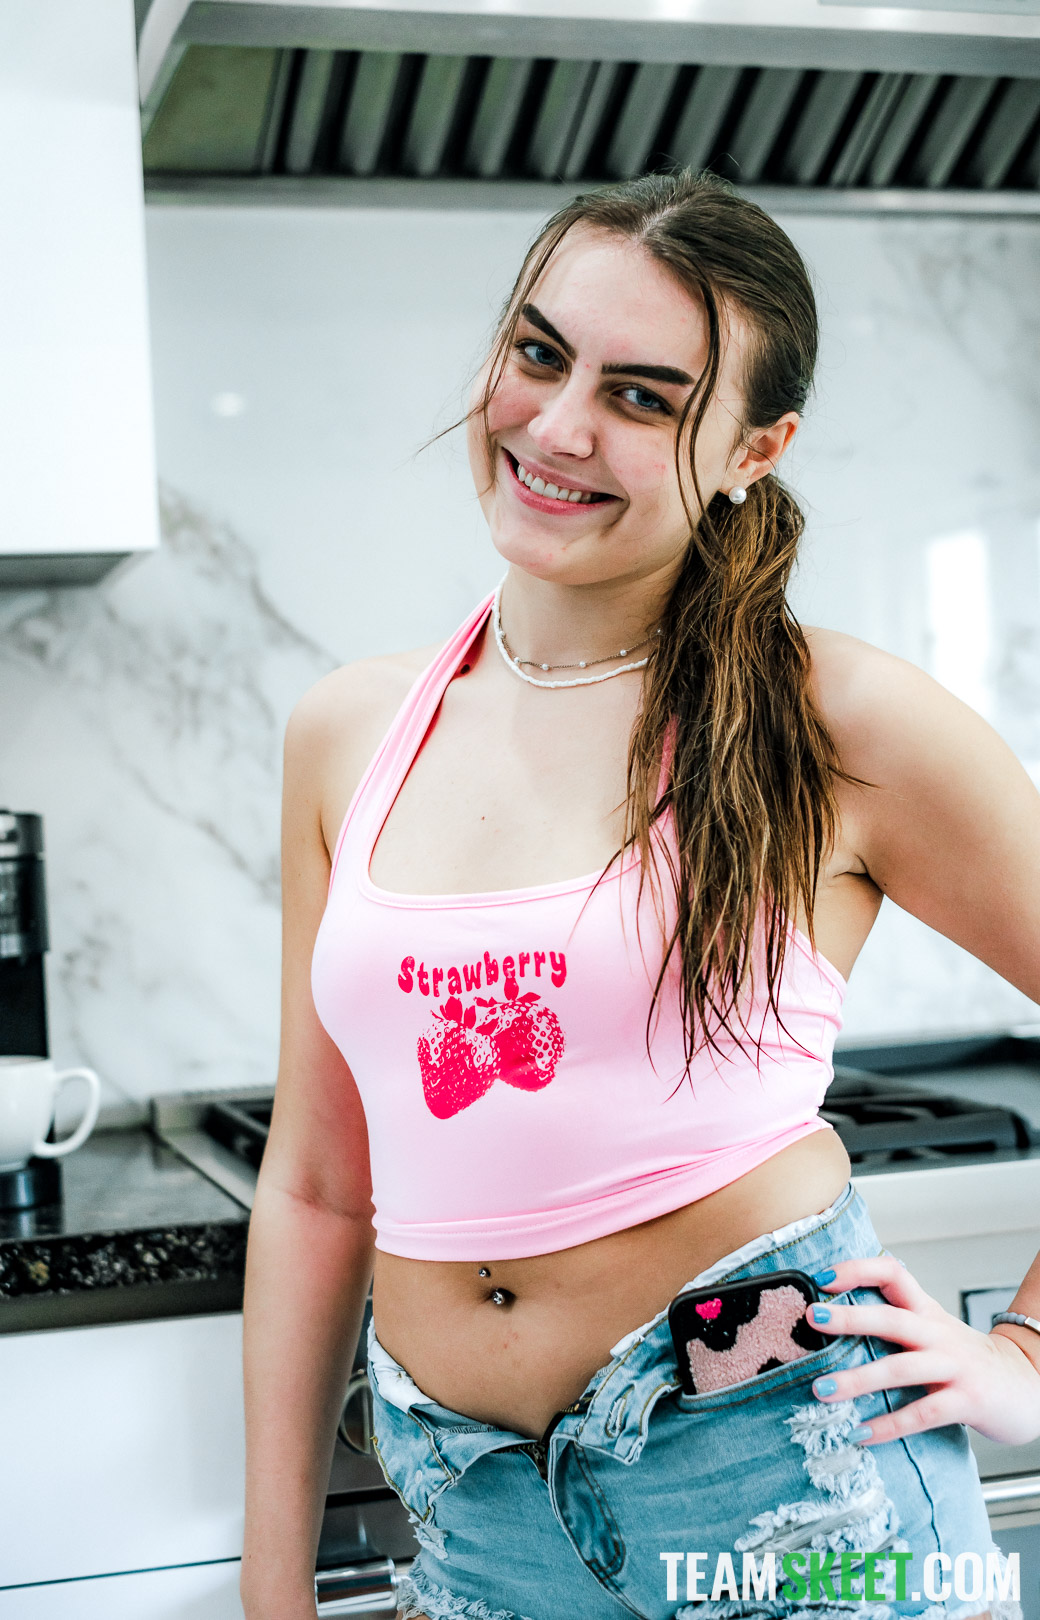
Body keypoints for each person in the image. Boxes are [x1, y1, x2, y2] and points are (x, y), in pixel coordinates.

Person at [238, 170, 1040, 1620]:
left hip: (787, 1475)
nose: (557, 427)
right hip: (473, 1505)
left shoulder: (837, 719)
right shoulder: (347, 732)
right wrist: (271, 1585)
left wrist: (1030, 1357)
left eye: (643, 397)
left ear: (755, 449)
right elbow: (314, 1186)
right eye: (539, 354)